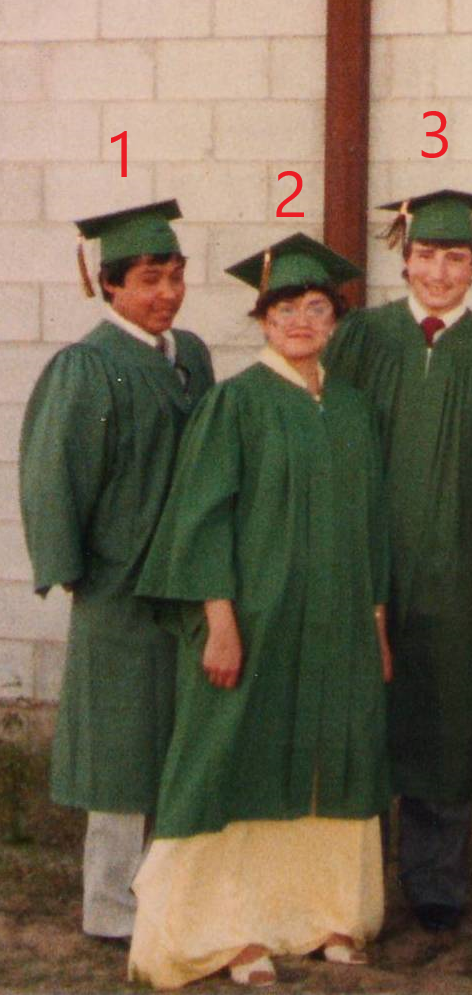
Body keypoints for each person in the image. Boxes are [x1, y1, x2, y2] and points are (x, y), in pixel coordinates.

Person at [128, 234, 392, 988]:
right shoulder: (236, 403)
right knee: (231, 759)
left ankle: (326, 913)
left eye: (316, 308)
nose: (301, 321)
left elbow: (374, 524)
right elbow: (201, 519)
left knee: (335, 758)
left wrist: (377, 625)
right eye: (284, 310)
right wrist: (218, 620)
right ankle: (226, 931)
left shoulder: (352, 409)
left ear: (335, 321)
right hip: (257, 620)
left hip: (341, 622)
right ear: (263, 319)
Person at [19, 200, 214, 945]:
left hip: (184, 580)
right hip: (120, 584)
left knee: (173, 734)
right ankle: (110, 905)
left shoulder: (190, 355)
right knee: (121, 741)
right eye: (149, 279)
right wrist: (77, 573)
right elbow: (53, 475)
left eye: (175, 277)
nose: (166, 293)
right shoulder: (88, 365)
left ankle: (164, 891)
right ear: (110, 284)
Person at [324, 189, 472, 934]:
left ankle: (436, 879)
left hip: (453, 568)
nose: (438, 271)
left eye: (454, 258)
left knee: (443, 714)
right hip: (367, 559)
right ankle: (354, 875)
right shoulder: (362, 338)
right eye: (426, 255)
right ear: (404, 260)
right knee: (363, 712)